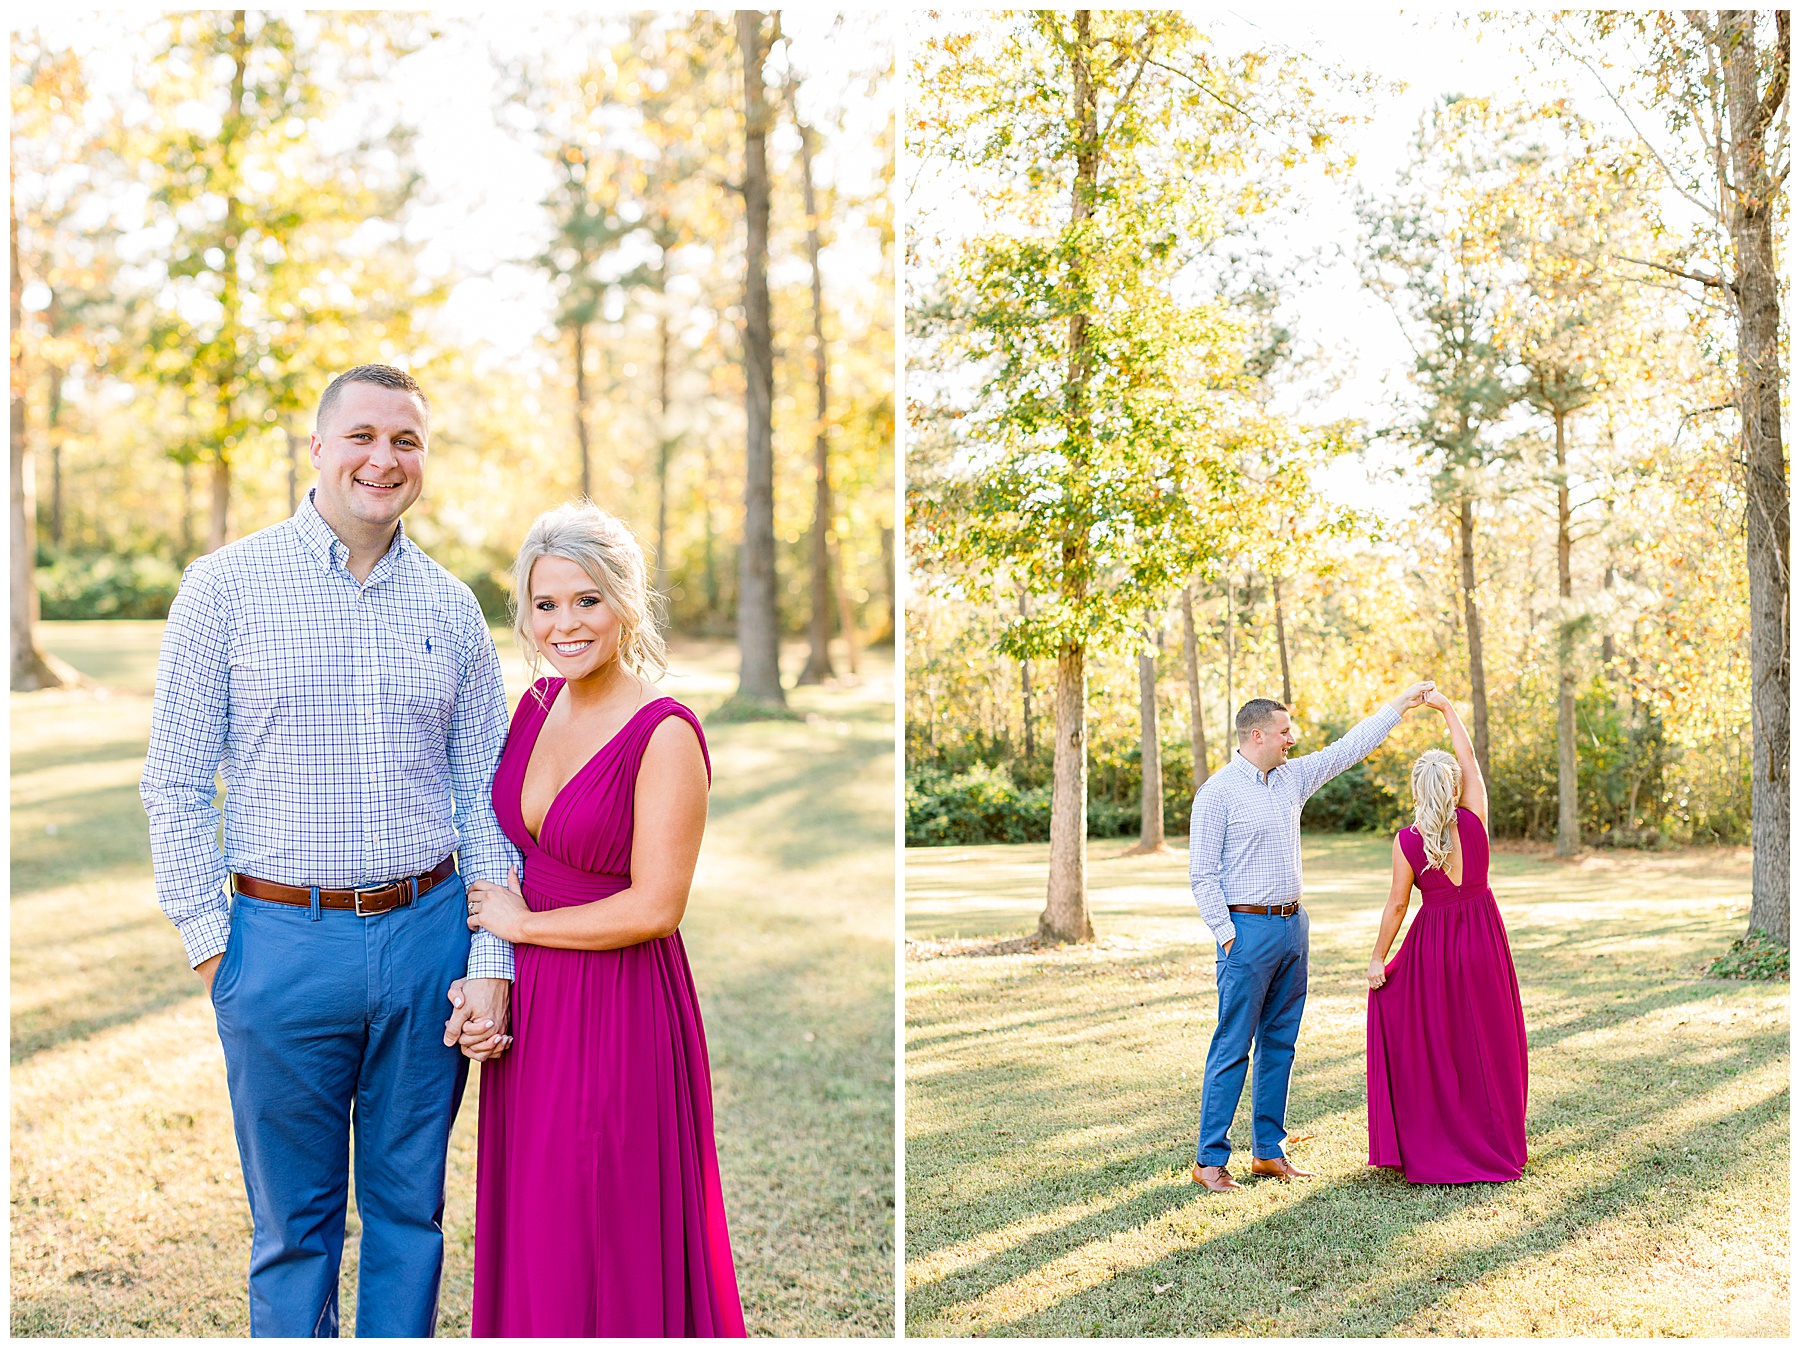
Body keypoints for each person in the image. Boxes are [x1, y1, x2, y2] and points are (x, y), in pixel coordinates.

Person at [140, 363, 517, 1336]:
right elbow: (174, 780)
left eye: (405, 441)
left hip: (427, 941)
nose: (383, 459)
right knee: (292, 1228)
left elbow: (488, 798)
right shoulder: (224, 587)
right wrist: (216, 950)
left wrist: (490, 958)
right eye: (363, 436)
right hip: (278, 946)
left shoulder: (452, 608)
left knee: (410, 1215)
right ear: (317, 447)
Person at [463, 500, 745, 1336]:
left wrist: (523, 930)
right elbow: (501, 854)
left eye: (587, 600)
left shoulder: (665, 733)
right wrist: (487, 975)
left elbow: (657, 906)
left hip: (618, 1008)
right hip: (534, 1013)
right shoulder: (534, 707)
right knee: (540, 1227)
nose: (566, 624)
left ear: (626, 601)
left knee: (604, 1226)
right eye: (546, 604)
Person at [1187, 683, 1436, 1192]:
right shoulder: (1216, 793)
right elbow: (1202, 875)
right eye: (1284, 731)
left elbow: (1349, 748)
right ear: (1257, 735)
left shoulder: (1292, 778)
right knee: (1233, 1044)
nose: (1292, 739)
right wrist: (1229, 937)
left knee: (1281, 1042)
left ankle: (1268, 1153)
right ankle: (1210, 1161)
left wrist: (1399, 705)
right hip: (1246, 931)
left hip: (1293, 926)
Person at [1365, 690, 1529, 1183]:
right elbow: (1470, 758)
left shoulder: (1408, 841)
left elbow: (1398, 906)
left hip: (1433, 948)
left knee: (1443, 1045)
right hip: (1484, 940)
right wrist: (1445, 707)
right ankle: (1497, 1142)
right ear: (1455, 785)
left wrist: (1378, 959)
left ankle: (1440, 1140)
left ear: (1417, 790)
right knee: (1490, 1043)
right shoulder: (1475, 817)